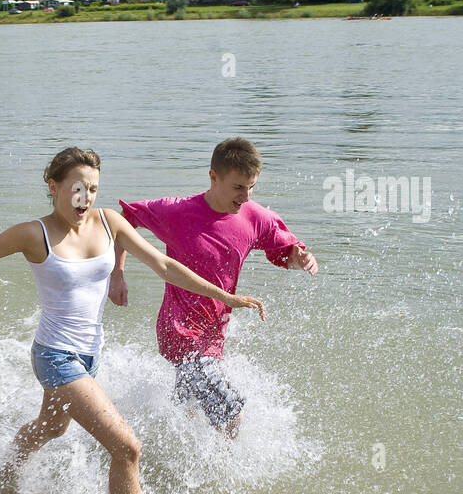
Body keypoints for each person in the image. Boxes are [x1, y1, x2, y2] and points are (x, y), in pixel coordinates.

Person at [0, 147, 265, 494]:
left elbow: (163, 264)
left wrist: (226, 297)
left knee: (51, 427)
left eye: (93, 188)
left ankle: (1, 471)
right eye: (77, 188)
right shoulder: (36, 234)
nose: (85, 197)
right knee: (127, 448)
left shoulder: (109, 223)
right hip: (54, 355)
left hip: (89, 355)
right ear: (53, 188)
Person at [110, 137, 318, 438]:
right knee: (231, 413)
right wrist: (118, 272)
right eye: (237, 187)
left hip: (213, 336)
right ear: (213, 177)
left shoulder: (255, 217)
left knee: (188, 414)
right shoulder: (176, 212)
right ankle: (232, 476)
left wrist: (299, 259)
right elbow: (122, 220)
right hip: (179, 331)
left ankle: (169, 465)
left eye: (251, 187)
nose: (245, 196)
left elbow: (284, 252)